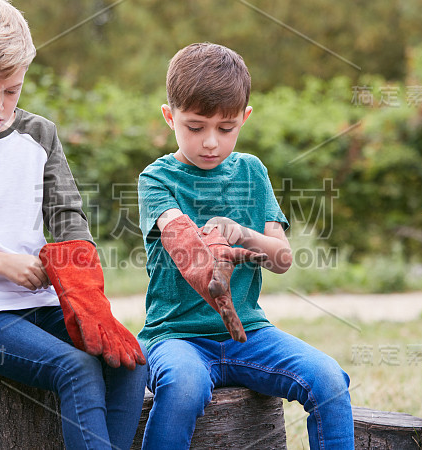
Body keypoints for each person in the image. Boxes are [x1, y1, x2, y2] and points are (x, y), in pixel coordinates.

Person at [0, 1, 147, 448]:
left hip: (42, 295)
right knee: (75, 368)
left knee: (130, 363)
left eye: (11, 91)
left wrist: (85, 290)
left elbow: (68, 216)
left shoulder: (40, 135)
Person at [137, 42, 354, 449]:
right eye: (196, 127)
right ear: (170, 117)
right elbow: (175, 232)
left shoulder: (252, 172)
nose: (211, 143)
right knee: (183, 387)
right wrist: (208, 250)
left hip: (249, 333)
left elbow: (282, 258)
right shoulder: (156, 179)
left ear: (244, 119)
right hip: (175, 336)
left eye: (226, 128)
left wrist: (242, 233)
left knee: (328, 379)